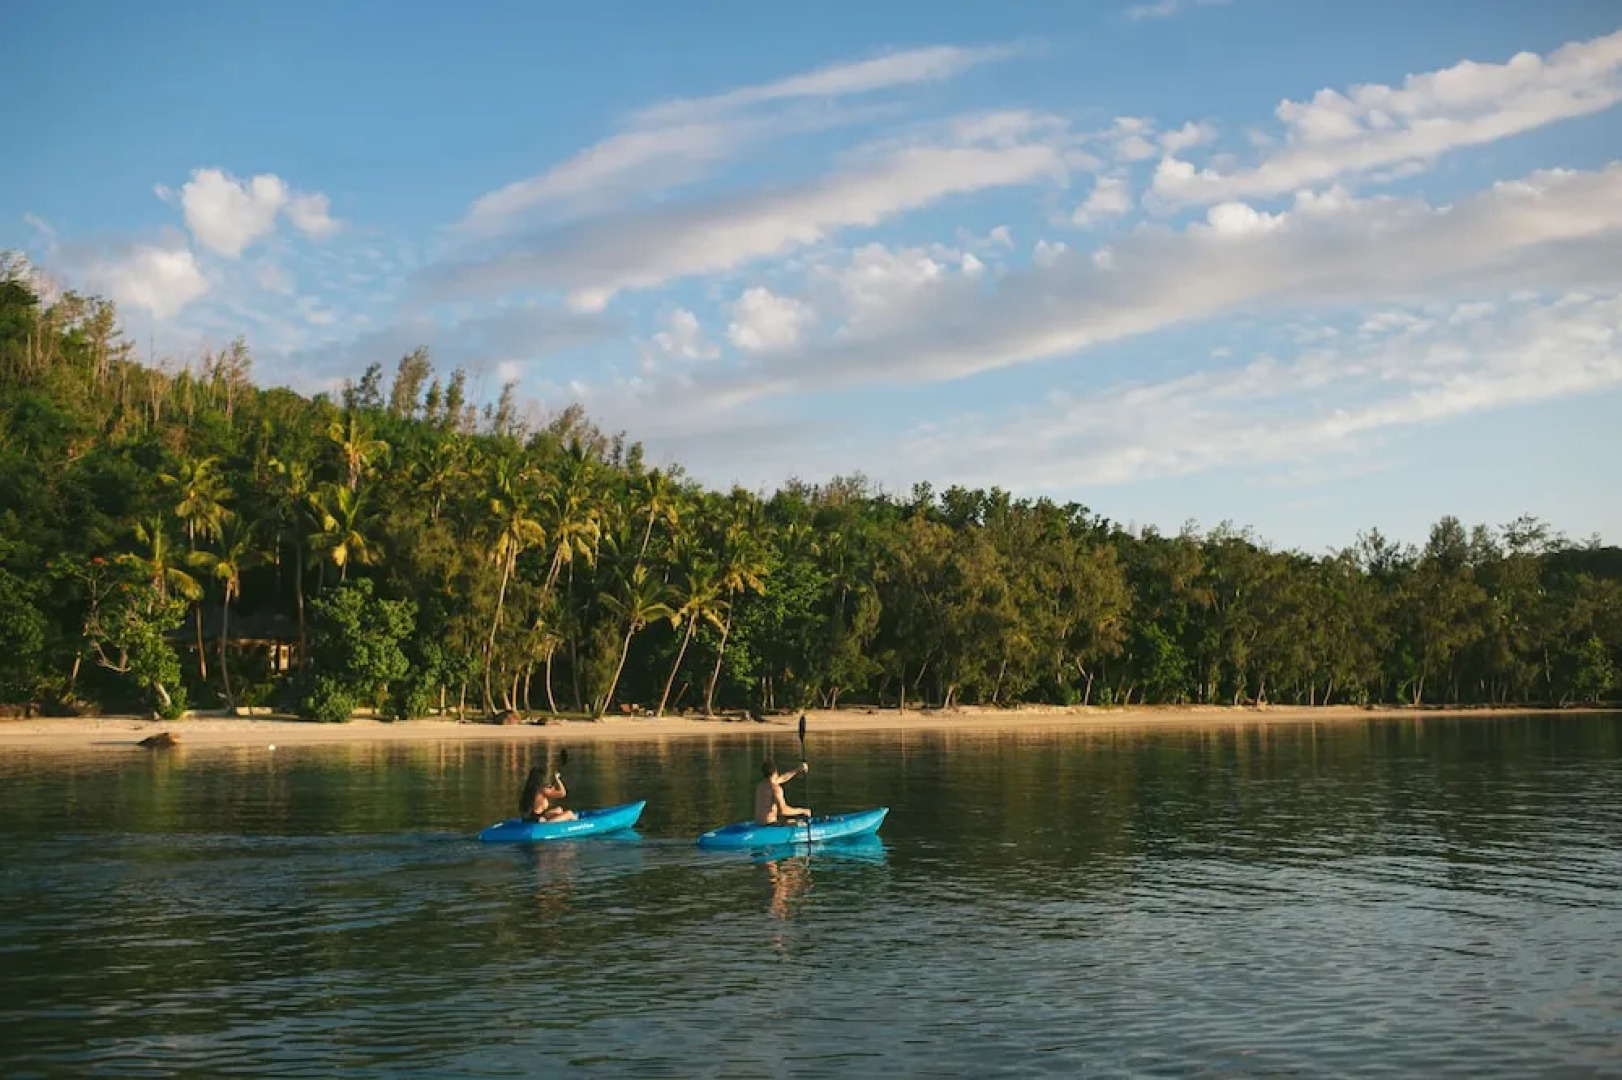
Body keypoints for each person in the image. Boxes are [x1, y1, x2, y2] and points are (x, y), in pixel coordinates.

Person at [755, 757, 810, 827]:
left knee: (788, 821)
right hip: (770, 825)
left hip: (759, 823)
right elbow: (783, 811)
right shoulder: (776, 789)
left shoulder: (760, 786)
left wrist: (798, 769)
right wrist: (803, 811)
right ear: (775, 772)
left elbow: (784, 778)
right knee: (800, 824)